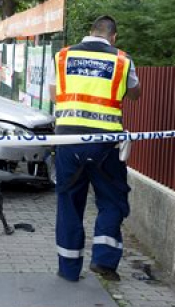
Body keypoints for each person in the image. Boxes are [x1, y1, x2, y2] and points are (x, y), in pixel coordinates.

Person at [46, 15, 141, 282]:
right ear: (114, 37)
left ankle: (68, 270)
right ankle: (104, 261)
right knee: (112, 200)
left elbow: (54, 95)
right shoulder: (122, 59)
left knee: (69, 203)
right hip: (105, 144)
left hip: (67, 142)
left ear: (89, 32)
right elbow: (135, 93)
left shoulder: (63, 56)